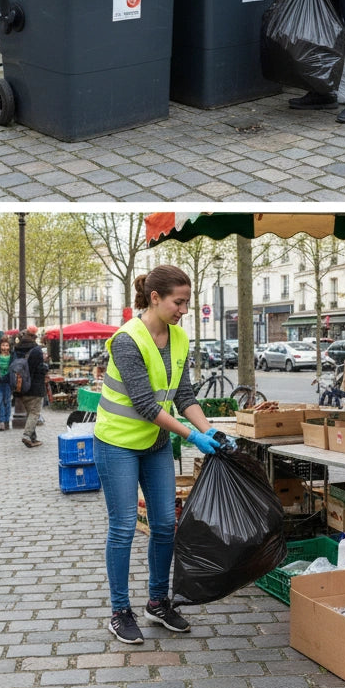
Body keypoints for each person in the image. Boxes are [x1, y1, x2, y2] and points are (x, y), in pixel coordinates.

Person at [93, 265, 227, 645]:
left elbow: (183, 396)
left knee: (166, 525)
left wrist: (209, 429)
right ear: (155, 298)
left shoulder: (179, 337)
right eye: (178, 302)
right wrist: (191, 436)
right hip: (117, 442)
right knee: (123, 527)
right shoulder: (127, 340)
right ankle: (120, 611)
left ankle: (157, 602)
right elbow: (145, 405)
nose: (183, 310)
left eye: (186, 303)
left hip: (154, 444)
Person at [14, 326, 47, 448]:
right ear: (34, 336)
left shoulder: (17, 349)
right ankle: (27, 435)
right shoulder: (37, 350)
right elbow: (38, 368)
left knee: (30, 413)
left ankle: (33, 438)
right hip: (35, 387)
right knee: (35, 413)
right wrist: (45, 367)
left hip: (21, 386)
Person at [0, 335, 14, 431]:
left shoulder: (12, 356)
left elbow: (13, 368)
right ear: (0, 346)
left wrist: (7, 376)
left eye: (6, 345)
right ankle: (1, 422)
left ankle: (7, 422)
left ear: (9, 347)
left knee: (7, 402)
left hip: (8, 382)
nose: (5, 347)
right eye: (3, 345)